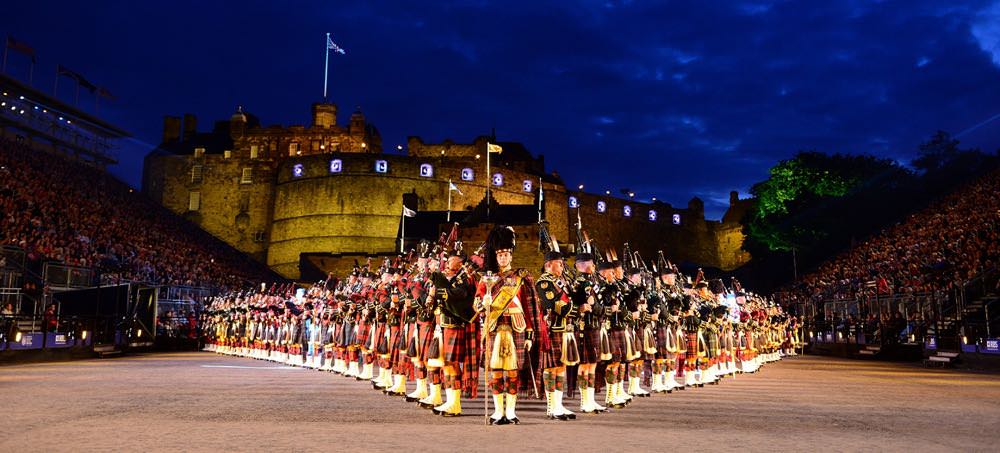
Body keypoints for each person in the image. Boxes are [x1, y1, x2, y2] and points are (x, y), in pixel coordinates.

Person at [477, 225, 547, 425]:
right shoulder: (487, 279)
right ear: (495, 255)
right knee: (496, 371)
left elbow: (531, 308)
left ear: (511, 255)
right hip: (494, 328)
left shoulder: (521, 278)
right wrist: (484, 303)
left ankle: (511, 411)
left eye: (506, 254)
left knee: (513, 372)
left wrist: (530, 335)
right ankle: (498, 412)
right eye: (500, 254)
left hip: (517, 327)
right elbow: (476, 305)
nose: (503, 258)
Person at [428, 249, 478, 416]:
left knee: (452, 364)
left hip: (455, 326)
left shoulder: (466, 279)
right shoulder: (450, 277)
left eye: (453, 260)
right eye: (449, 259)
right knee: (446, 365)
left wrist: (440, 293)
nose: (449, 262)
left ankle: (455, 404)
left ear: (461, 263)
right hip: (442, 326)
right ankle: (449, 401)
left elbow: (461, 294)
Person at [536, 248, 578, 420]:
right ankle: (551, 406)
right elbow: (555, 305)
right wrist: (576, 309)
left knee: (561, 367)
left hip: (563, 330)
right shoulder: (544, 283)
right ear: (548, 265)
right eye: (559, 263)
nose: (562, 266)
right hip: (552, 329)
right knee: (551, 367)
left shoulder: (561, 282)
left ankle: (558, 404)